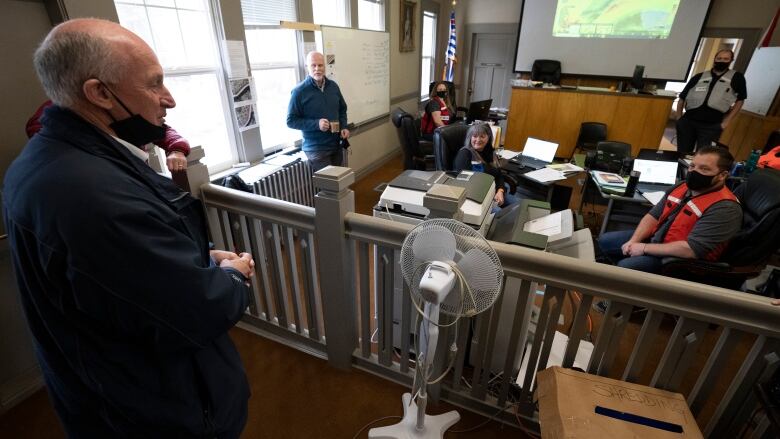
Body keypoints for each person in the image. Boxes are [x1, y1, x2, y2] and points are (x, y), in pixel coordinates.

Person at [4, 18, 255, 437]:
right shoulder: (95, 197)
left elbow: (117, 275)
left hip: (102, 389)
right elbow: (197, 312)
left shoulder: (40, 161)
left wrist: (198, 258)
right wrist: (233, 276)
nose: (169, 99)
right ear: (99, 93)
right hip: (155, 409)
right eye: (154, 84)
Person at [598, 146, 742, 274]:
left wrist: (643, 248)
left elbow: (690, 250)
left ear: (722, 175)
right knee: (605, 241)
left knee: (626, 267)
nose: (694, 172)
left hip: (680, 261)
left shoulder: (725, 208)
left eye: (704, 169)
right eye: (692, 166)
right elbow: (653, 215)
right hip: (658, 240)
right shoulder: (682, 186)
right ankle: (625, 285)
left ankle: (627, 293)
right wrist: (634, 241)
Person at [26, 99, 191, 173]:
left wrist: (176, 148)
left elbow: (161, 129)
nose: (170, 101)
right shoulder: (56, 118)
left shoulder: (117, 110)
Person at [286, 51, 350, 173]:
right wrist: (316, 124)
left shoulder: (333, 86)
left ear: (324, 67)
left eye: (320, 65)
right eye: (313, 65)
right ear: (307, 67)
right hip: (316, 149)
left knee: (339, 182)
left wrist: (344, 127)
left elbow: (342, 109)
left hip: (336, 144)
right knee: (330, 185)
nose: (317, 69)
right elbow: (291, 121)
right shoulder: (299, 92)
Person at [675, 49, 747, 155]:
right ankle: (681, 171)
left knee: (704, 156)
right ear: (715, 59)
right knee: (682, 154)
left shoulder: (737, 78)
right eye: (719, 58)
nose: (722, 61)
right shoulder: (699, 76)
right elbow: (682, 98)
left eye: (726, 59)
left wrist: (726, 122)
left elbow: (740, 100)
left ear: (731, 60)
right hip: (688, 122)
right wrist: (679, 118)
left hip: (712, 126)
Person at [453, 123, 518, 210]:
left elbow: (498, 175)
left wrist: (500, 191)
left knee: (520, 206)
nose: (478, 140)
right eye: (475, 136)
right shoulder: (465, 154)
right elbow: (464, 183)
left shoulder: (490, 152)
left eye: (482, 136)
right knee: (499, 215)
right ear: (470, 137)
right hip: (475, 196)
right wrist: (489, 198)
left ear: (488, 138)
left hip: (494, 191)